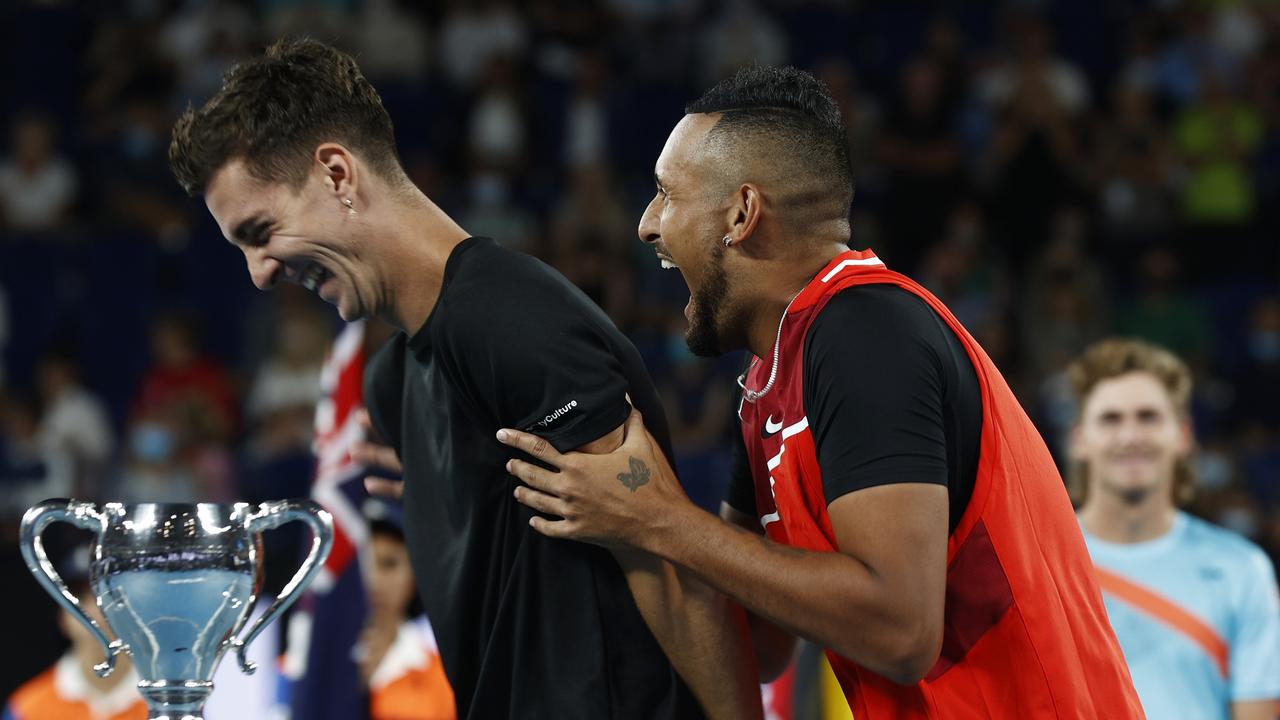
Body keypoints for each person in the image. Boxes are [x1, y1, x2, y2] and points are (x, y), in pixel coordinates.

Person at [496, 65, 1144, 718]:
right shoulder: (768, 383)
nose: (646, 225)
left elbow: (900, 631)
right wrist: (605, 524)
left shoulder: (866, 331)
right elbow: (754, 641)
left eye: (666, 194)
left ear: (742, 213)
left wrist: (661, 520)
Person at [168, 39, 758, 719]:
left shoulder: (510, 318)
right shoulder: (393, 380)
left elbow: (674, 574)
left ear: (336, 173)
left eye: (260, 231)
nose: (259, 272)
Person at [1069, 338, 1280, 720]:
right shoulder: (1040, 565)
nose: (1131, 436)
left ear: (1183, 435)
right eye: (1111, 418)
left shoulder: (1242, 570)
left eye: (1148, 417)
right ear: (1080, 439)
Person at [4, 546, 147, 720]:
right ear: (62, 616)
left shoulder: (171, 701)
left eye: (111, 594)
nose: (97, 611)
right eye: (79, 597)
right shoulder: (27, 709)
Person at [358, 499, 455, 720]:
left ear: (415, 575)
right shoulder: (298, 666)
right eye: (362, 564)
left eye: (389, 563)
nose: (373, 580)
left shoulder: (445, 677)